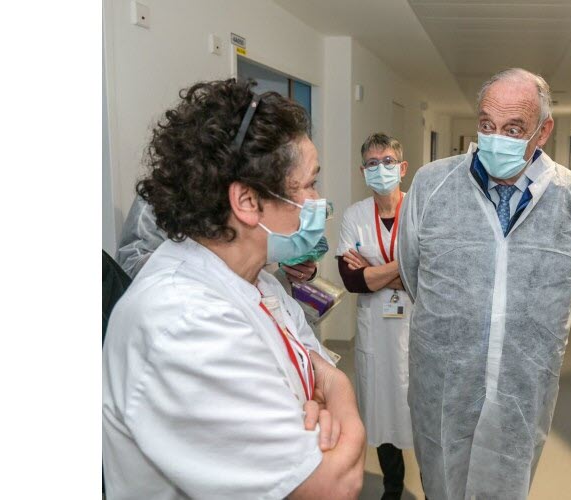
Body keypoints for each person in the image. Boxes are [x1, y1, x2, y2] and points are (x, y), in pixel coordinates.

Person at [103, 78, 366, 499]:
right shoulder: (185, 321)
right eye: (309, 184)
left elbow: (308, 370)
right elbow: (336, 483)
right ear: (246, 202)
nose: (319, 200)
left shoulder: (260, 282)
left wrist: (321, 390)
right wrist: (343, 388)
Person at [397, 68, 571, 499]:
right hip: (446, 376)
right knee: (443, 479)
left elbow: (570, 277)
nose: (495, 139)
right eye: (487, 125)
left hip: (524, 379)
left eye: (513, 129)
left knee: (508, 480)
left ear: (543, 131)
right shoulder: (432, 184)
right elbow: (413, 271)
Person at [335, 133, 414, 500]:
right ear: (362, 170)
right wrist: (405, 267)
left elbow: (431, 275)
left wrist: (375, 270)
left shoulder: (419, 210)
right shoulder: (354, 216)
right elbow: (352, 281)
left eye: (387, 162)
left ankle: (435, 488)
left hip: (417, 328)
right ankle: (393, 485)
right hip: (376, 333)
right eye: (371, 163)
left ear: (402, 168)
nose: (379, 169)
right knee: (381, 413)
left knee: (421, 411)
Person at [116, 193, 323, 283]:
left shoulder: (249, 191)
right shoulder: (159, 198)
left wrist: (297, 263)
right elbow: (131, 264)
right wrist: (211, 270)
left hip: (265, 304)